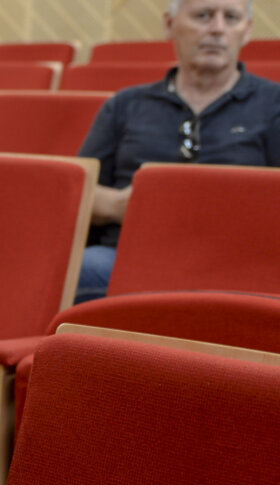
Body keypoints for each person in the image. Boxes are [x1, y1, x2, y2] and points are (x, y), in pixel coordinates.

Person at [75, 0, 280, 302]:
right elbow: (76, 193)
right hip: (127, 257)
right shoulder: (125, 105)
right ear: (169, 25)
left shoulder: (273, 104)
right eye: (204, 16)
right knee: (75, 269)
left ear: (247, 31)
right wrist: (121, 204)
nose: (218, 29)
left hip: (233, 265)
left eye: (231, 17)